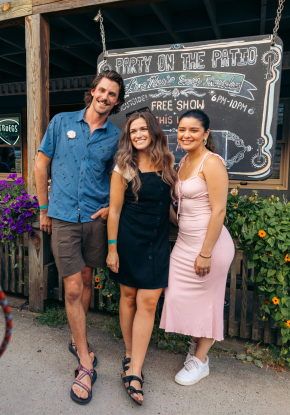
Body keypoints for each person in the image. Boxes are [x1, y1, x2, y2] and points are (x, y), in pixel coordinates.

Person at [34, 71, 124, 404]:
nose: (105, 97)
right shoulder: (61, 122)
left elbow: (119, 179)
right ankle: (85, 361)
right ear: (92, 92)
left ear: (116, 101)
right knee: (72, 286)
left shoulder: (115, 136)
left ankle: (77, 338)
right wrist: (43, 209)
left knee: (87, 279)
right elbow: (40, 165)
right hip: (63, 217)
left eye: (112, 94)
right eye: (102, 90)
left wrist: (109, 209)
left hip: (93, 219)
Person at [159, 109, 235, 386]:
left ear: (206, 134)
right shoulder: (183, 163)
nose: (186, 135)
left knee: (208, 303)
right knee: (177, 295)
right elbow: (182, 207)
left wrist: (205, 253)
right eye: (182, 129)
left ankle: (200, 360)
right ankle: (196, 345)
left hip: (210, 245)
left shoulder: (211, 162)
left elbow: (219, 210)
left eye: (193, 130)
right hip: (184, 243)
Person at [106, 109, 176, 405]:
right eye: (133, 131)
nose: (137, 135)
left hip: (158, 241)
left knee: (148, 301)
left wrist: (188, 224)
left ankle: (135, 369)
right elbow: (115, 211)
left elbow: (168, 206)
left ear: (153, 131)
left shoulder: (167, 164)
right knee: (129, 297)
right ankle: (129, 353)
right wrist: (112, 248)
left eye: (142, 129)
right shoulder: (123, 166)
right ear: (128, 136)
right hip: (129, 240)